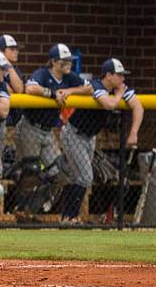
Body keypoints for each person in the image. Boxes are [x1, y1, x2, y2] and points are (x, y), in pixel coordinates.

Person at [54, 55, 143, 224]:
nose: (122, 78)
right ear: (108, 76)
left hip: (89, 137)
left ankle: (67, 217)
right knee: (86, 177)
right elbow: (109, 104)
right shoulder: (97, 85)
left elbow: (138, 107)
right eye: (119, 75)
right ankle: (70, 217)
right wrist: (119, 96)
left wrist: (134, 132)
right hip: (74, 134)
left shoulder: (120, 88)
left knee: (77, 177)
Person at [17, 45, 91, 214]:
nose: (68, 64)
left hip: (49, 131)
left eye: (69, 61)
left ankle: (33, 209)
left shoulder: (69, 77)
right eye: (64, 61)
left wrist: (68, 91)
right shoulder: (42, 74)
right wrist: (52, 93)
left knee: (59, 173)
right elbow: (30, 88)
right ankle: (20, 210)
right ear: (53, 62)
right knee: (31, 171)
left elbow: (89, 89)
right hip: (31, 127)